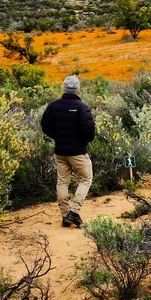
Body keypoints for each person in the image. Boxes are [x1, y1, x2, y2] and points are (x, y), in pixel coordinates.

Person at [40, 74, 96, 228]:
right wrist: (83, 141)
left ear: (63, 89)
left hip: (60, 151)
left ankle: (65, 216)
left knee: (62, 182)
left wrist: (57, 137)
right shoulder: (82, 107)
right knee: (86, 179)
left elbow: (44, 125)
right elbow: (89, 130)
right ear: (78, 90)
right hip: (78, 152)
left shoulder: (53, 106)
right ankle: (74, 212)